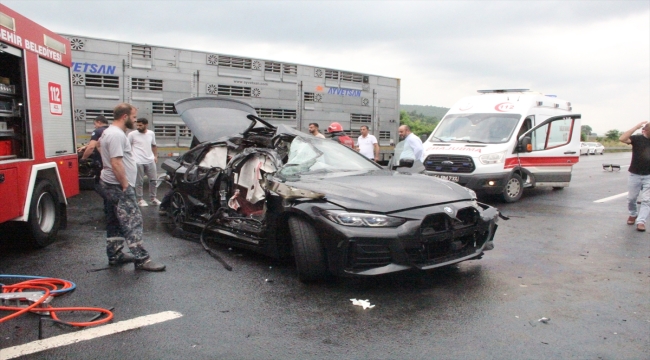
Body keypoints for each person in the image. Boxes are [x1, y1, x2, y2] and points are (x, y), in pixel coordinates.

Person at [98, 103, 166, 271]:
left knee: (114, 220)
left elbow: (99, 146)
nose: (135, 121)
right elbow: (116, 162)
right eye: (134, 117)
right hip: (118, 185)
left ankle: (115, 254)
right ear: (125, 117)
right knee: (133, 220)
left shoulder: (108, 132)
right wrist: (125, 184)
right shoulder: (116, 135)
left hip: (109, 183)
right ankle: (142, 258)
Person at [619, 121, 650, 232]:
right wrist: (636, 127)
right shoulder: (637, 139)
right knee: (631, 198)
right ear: (645, 130)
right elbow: (622, 138)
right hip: (635, 174)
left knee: (647, 200)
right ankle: (633, 214)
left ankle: (641, 221)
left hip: (649, 176)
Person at [79, 116, 110, 215]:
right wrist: (85, 147)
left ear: (99, 122)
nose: (95, 126)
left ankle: (110, 203)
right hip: (109, 162)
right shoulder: (111, 131)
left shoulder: (97, 131)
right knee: (108, 185)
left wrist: (83, 159)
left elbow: (92, 146)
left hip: (100, 162)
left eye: (95, 124)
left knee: (97, 185)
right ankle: (108, 208)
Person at [128, 118, 160, 207]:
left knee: (153, 180)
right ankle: (140, 199)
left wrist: (155, 156)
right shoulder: (132, 134)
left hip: (150, 160)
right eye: (137, 125)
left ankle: (153, 198)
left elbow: (154, 145)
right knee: (139, 182)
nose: (138, 127)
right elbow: (127, 146)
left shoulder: (151, 133)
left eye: (140, 125)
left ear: (146, 125)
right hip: (137, 161)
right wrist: (130, 158)